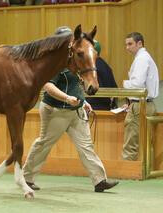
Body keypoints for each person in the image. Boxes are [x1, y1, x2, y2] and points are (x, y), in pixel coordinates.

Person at [23, 26, 119, 193]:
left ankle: (99, 180)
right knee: (44, 144)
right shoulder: (53, 63)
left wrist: (83, 102)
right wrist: (67, 98)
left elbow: (76, 83)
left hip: (76, 110)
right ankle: (27, 177)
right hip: (56, 110)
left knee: (86, 146)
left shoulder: (76, 59)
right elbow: (47, 86)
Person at [122, 32, 159, 161]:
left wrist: (125, 84)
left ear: (140, 43)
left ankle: (128, 173)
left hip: (140, 105)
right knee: (146, 143)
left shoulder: (142, 58)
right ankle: (144, 172)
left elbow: (137, 85)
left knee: (131, 144)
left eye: (130, 44)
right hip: (145, 104)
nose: (127, 47)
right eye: (126, 44)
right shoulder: (144, 57)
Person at [85, 40, 118, 110]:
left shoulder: (92, 67)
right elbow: (114, 87)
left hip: (94, 106)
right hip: (105, 105)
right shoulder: (105, 65)